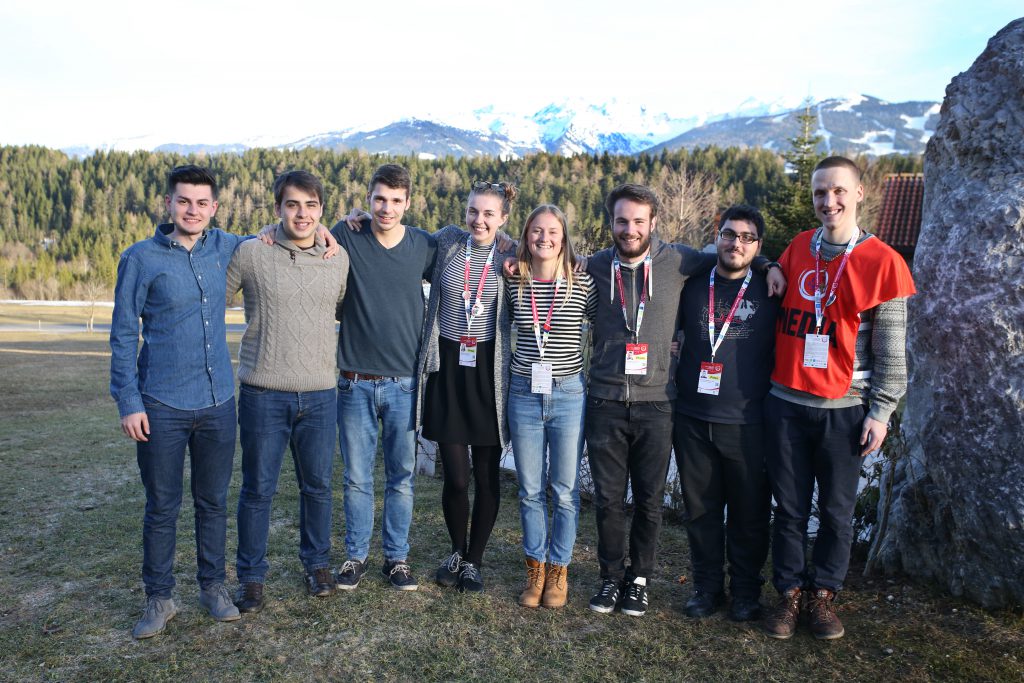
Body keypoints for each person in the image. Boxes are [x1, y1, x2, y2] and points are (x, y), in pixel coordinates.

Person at [584, 184, 784, 617]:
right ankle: (624, 580)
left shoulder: (677, 261)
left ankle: (659, 583)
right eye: (622, 220)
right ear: (612, 222)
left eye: (639, 221)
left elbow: (737, 256)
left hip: (673, 406)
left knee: (668, 503)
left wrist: (768, 264)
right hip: (623, 403)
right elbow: (547, 255)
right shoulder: (598, 266)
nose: (630, 229)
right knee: (626, 502)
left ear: (654, 223)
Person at [761, 156, 915, 640]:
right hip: (786, 401)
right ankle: (788, 594)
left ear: (860, 193)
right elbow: (771, 276)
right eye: (820, 194)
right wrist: (768, 263)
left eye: (839, 192)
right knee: (787, 508)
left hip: (844, 409)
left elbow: (891, 347)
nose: (829, 202)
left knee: (835, 511)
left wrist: (883, 411)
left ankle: (823, 595)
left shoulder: (883, 261)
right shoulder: (798, 247)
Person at [110, 164, 246, 639]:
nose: (193, 210)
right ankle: (159, 597)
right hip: (161, 402)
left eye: (202, 202)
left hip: (217, 402)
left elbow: (285, 232)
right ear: (168, 203)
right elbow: (124, 334)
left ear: (214, 207)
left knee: (212, 502)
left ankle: (213, 586)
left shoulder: (227, 247)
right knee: (162, 505)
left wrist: (343, 226)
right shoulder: (141, 258)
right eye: (184, 201)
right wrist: (128, 401)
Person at [227, 171, 349, 612]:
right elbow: (212, 292)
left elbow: (341, 306)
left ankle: (317, 564)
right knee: (257, 489)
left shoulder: (338, 258)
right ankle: (251, 577)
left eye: (311, 205)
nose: (302, 213)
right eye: (293, 204)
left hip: (319, 393)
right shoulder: (251, 253)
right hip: (263, 392)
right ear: (277, 208)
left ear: (322, 210)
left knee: (317, 486)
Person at [331, 164, 437, 591]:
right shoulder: (347, 235)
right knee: (356, 477)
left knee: (401, 476)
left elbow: (472, 246)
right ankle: (355, 556)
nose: (386, 208)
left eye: (395, 201)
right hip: (354, 382)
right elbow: (302, 232)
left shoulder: (424, 246)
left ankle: (396, 558)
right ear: (368, 198)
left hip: (404, 385)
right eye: (379, 199)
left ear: (408, 203)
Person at [671, 205, 778, 622]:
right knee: (701, 511)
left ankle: (747, 593)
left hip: (749, 421)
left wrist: (772, 266)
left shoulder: (772, 288)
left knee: (750, 514)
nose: (737, 243)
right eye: (730, 234)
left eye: (747, 237)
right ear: (717, 235)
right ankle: (707, 587)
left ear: (758, 246)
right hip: (693, 417)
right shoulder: (693, 281)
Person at [419, 181, 518, 593]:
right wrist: (357, 220)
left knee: (486, 474)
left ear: (503, 219)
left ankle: (475, 561)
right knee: (456, 477)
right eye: (473, 211)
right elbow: (401, 243)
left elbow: (557, 258)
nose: (479, 220)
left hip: (488, 374)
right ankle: (457, 550)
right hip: (447, 369)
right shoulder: (446, 242)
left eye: (488, 214)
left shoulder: (512, 254)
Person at [505, 205, 596, 608]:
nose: (544, 238)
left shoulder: (583, 283)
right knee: (528, 490)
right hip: (524, 392)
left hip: (568, 394)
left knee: (563, 491)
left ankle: (559, 570)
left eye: (553, 231)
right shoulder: (514, 281)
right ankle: (535, 568)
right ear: (526, 236)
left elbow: (610, 323)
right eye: (536, 231)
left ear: (564, 236)